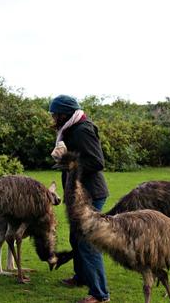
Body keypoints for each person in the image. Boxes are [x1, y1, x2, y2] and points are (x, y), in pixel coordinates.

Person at [49, 95, 110, 303]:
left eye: (54, 114)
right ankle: (82, 277)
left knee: (87, 243)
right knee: (76, 239)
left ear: (64, 114)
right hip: (77, 195)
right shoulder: (69, 129)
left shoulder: (83, 130)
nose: (52, 118)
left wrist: (68, 161)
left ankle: (100, 294)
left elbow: (97, 162)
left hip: (91, 194)